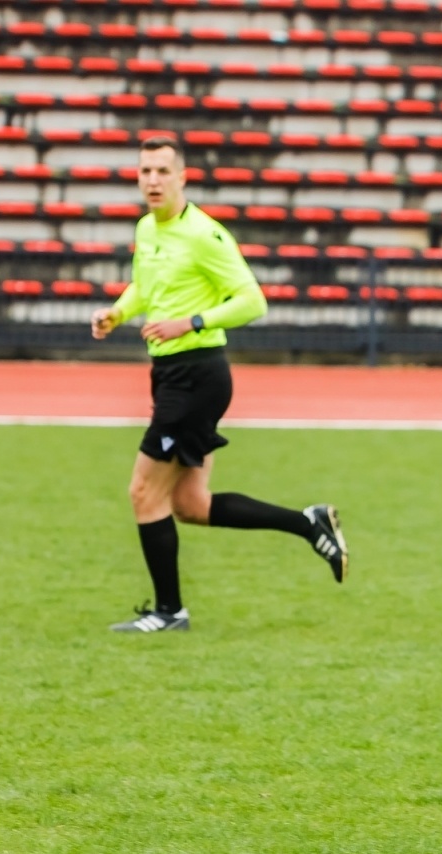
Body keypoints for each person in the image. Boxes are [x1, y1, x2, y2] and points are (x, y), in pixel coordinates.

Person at [90, 136, 348, 632]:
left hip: (196, 375)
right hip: (171, 374)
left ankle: (170, 612)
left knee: (143, 492)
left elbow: (253, 301)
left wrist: (192, 322)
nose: (152, 181)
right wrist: (117, 312)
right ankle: (308, 522)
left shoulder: (205, 235)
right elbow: (147, 285)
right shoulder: (147, 228)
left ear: (183, 177)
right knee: (190, 505)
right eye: (145, 171)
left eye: (163, 171)